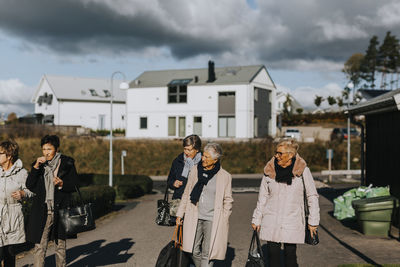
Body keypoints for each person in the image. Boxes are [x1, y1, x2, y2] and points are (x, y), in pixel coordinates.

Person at [251, 139, 320, 267]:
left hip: (292, 219)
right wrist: (257, 219)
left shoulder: (303, 170)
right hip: (271, 219)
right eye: (276, 152)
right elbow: (263, 197)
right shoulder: (269, 170)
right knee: (273, 257)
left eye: (280, 153)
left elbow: (312, 196)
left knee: (290, 257)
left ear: (290, 155)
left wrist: (313, 222)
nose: (276, 155)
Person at [176, 143, 233, 267]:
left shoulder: (225, 176)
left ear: (215, 159)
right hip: (194, 215)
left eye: (207, 157)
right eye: (203, 156)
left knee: (208, 252)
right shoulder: (195, 170)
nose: (203, 159)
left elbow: (228, 200)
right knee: (193, 250)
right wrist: (180, 214)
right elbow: (187, 193)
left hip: (213, 219)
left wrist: (224, 217)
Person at [25, 135, 78, 267]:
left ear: (56, 148)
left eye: (49, 149)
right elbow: (30, 185)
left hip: (60, 210)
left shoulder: (67, 163)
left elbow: (75, 185)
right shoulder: (40, 165)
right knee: (40, 245)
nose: (46, 152)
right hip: (43, 211)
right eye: (43, 149)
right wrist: (36, 167)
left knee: (60, 245)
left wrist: (61, 184)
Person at [0, 140, 33, 267]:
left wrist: (23, 194)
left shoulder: (22, 173)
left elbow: (31, 191)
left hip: (13, 216)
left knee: (9, 253)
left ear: (9, 156)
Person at [167, 134, 202, 217]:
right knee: (181, 230)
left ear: (197, 149)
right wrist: (173, 183)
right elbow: (169, 180)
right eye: (185, 149)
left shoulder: (204, 162)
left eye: (189, 150)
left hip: (198, 203)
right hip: (180, 201)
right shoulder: (177, 161)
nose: (186, 152)